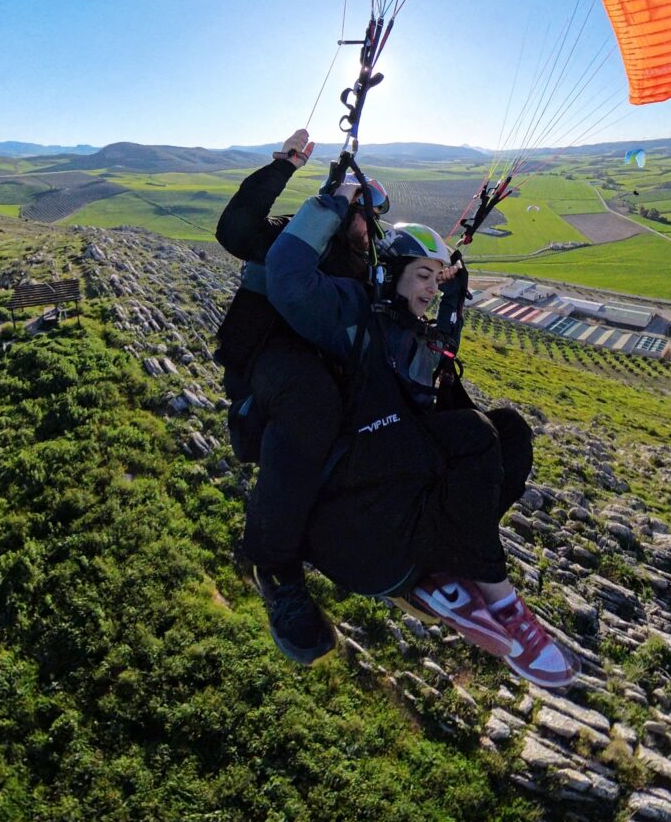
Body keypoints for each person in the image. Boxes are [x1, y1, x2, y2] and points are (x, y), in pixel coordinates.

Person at [263, 193, 577, 689]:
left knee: (510, 434)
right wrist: (331, 202)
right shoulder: (356, 316)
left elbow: (444, 340)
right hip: (363, 495)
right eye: (422, 277)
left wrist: (453, 289)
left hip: (402, 477)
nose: (431, 288)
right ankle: (501, 600)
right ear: (391, 274)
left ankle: (444, 565)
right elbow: (288, 281)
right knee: (473, 437)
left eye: (436, 278)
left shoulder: (415, 330)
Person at [210, 129, 377, 665]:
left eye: (370, 214)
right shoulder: (288, 238)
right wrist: (282, 167)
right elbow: (235, 229)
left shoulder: (364, 266)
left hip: (326, 368)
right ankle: (274, 566)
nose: (364, 221)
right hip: (265, 359)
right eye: (359, 207)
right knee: (310, 400)